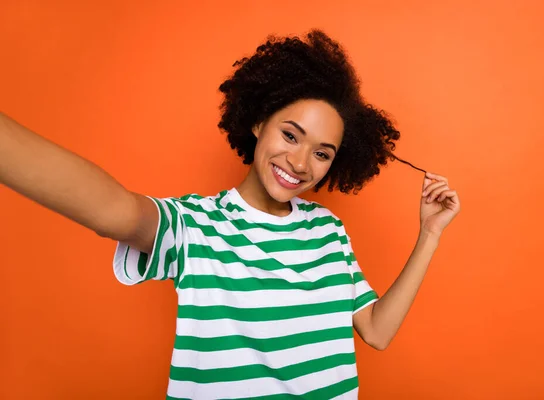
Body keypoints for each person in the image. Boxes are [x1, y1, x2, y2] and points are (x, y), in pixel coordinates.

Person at [0, 30, 460, 399]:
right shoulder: (197, 226)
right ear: (259, 121)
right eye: (291, 135)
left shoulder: (328, 230)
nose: (300, 164)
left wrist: (429, 235)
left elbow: (376, 331)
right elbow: (109, 210)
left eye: (322, 153)